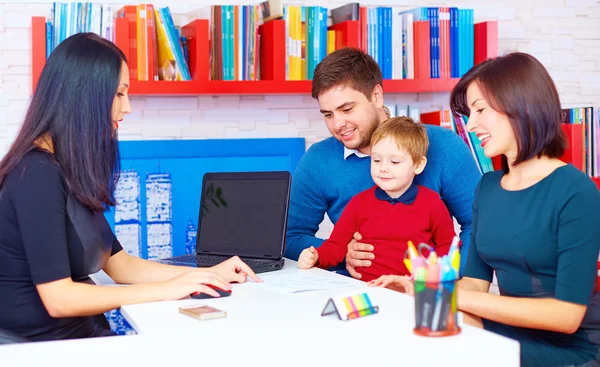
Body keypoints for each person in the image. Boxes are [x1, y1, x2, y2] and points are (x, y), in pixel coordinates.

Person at [0, 33, 260, 342]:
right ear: (86, 97)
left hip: (81, 334)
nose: (128, 107)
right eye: (119, 94)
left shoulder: (67, 169)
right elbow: (59, 299)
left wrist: (210, 274)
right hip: (45, 347)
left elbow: (122, 267)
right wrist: (167, 290)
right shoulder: (34, 175)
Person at [451, 52, 600, 367]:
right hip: (511, 333)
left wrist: (457, 299)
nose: (471, 124)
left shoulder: (577, 192)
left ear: (521, 106)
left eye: (480, 110)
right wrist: (426, 290)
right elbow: (474, 284)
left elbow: (567, 315)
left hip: (574, 349)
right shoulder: (488, 187)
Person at [284, 47, 481, 277]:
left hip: (427, 292)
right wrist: (341, 253)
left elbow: (478, 225)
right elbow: (289, 237)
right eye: (328, 114)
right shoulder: (318, 161)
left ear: (376, 96)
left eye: (347, 109)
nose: (338, 124)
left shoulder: (443, 146)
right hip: (358, 294)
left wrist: (454, 282)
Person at [297, 116, 455, 294]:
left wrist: (428, 279)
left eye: (394, 162)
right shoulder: (359, 203)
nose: (383, 168)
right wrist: (316, 256)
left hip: (413, 293)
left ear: (418, 165)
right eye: (376, 160)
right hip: (366, 290)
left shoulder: (432, 203)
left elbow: (447, 247)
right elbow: (335, 246)